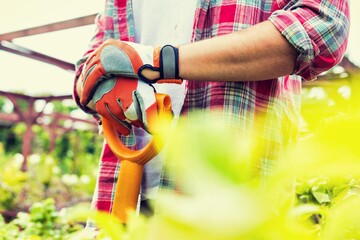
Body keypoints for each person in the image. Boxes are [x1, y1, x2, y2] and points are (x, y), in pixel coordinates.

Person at [73, 0, 350, 227]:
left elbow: (325, 25)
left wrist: (158, 61)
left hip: (230, 202)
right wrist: (102, 84)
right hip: (126, 196)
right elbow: (89, 65)